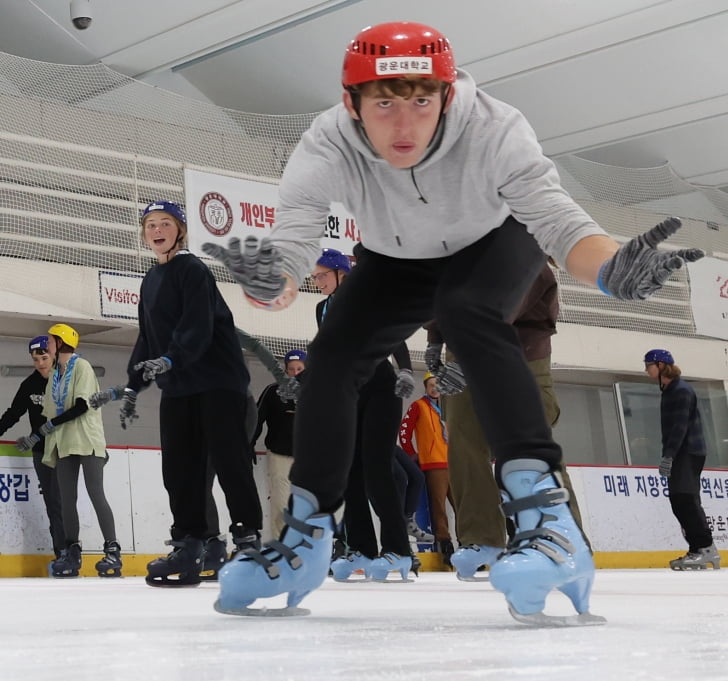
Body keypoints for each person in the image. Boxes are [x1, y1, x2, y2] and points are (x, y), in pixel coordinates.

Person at [208, 21, 700, 622]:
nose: (405, 125)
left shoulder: (494, 127)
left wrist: (607, 271)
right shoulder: (327, 141)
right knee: (333, 352)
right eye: (384, 104)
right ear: (351, 104)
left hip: (493, 240)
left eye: (421, 101)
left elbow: (560, 221)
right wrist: (273, 279)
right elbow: (294, 240)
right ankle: (307, 536)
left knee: (469, 314)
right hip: (394, 256)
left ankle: (550, 525)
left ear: (446, 94)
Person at [91, 200, 262, 587]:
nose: (156, 230)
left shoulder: (192, 270)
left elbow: (197, 326)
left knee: (230, 462)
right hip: (180, 384)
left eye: (164, 223)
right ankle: (189, 544)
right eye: (150, 224)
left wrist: (170, 358)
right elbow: (147, 338)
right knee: (179, 470)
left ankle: (248, 540)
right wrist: (134, 385)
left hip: (218, 380)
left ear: (180, 230)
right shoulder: (150, 280)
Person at [432, 263, 589, 581]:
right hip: (463, 353)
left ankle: (566, 538)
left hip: (520, 357)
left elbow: (503, 311)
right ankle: (481, 538)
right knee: (464, 442)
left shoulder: (529, 262)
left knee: (528, 449)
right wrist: (436, 337)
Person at [312, 248, 416, 583]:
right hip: (348, 392)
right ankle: (361, 548)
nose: (317, 282)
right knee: (350, 473)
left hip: (381, 387)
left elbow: (392, 333)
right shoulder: (321, 308)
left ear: (342, 273)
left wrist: (406, 371)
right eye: (314, 277)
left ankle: (399, 550)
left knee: (377, 469)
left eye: (322, 276)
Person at [16, 324, 121, 578]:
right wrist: (34, 437)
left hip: (86, 439)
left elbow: (82, 406)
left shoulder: (81, 367)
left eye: (51, 341)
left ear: (61, 343)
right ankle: (71, 551)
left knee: (96, 492)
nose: (48, 345)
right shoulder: (55, 376)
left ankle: (112, 551)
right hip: (64, 443)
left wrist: (52, 424)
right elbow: (48, 415)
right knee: (66, 499)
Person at [645, 350, 718, 570]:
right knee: (680, 501)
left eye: (649, 364)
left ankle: (705, 548)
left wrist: (669, 455)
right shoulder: (669, 390)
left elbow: (680, 426)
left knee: (685, 500)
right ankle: (698, 548)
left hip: (687, 451)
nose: (646, 369)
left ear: (660, 366)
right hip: (682, 452)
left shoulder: (681, 390)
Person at [0, 335, 65, 562]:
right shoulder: (29, 385)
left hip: (65, 449)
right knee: (52, 503)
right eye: (36, 359)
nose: (40, 364)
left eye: (44, 358)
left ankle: (70, 549)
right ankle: (61, 553)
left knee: (62, 501)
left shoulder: (66, 379)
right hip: (40, 451)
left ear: (54, 355)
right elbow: (13, 413)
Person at [399, 371, 453, 568]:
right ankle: (445, 545)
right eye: (431, 385)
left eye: (438, 385)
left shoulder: (448, 407)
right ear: (425, 387)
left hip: (453, 463)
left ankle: (469, 543)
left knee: (462, 505)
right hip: (433, 464)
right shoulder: (419, 406)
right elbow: (404, 431)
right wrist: (412, 455)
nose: (435, 388)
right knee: (438, 508)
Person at [253, 349, 305, 539]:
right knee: (282, 506)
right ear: (285, 370)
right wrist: (249, 443)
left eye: (299, 368)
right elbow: (256, 419)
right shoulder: (273, 392)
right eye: (291, 369)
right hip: (280, 457)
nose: (295, 373)